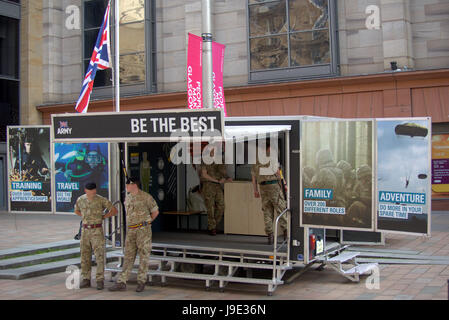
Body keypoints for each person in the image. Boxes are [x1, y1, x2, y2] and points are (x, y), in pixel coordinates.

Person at [109, 176, 159, 293]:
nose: (126, 187)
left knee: (143, 256)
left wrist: (147, 222)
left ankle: (141, 281)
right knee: (128, 256)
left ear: (134, 185)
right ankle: (122, 281)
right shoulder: (128, 198)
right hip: (131, 230)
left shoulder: (146, 197)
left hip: (143, 230)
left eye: (128, 185)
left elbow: (155, 212)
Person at [74, 182, 117, 290]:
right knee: (84, 255)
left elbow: (114, 210)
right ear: (85, 191)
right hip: (85, 230)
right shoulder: (80, 199)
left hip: (97, 230)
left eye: (93, 191)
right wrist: (84, 217)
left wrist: (103, 217)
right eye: (89, 191)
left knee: (99, 256)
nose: (92, 193)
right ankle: (86, 279)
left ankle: (100, 280)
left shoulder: (101, 199)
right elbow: (76, 211)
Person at [251, 140, 288, 245]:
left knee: (267, 211)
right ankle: (286, 233)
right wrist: (284, 184)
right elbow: (277, 172)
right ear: (268, 148)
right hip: (274, 186)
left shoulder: (256, 160)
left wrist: (255, 190)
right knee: (280, 208)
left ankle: (270, 236)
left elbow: (253, 177)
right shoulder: (271, 157)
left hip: (262, 187)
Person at [200, 152, 232, 236]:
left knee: (221, 206)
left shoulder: (220, 160)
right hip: (208, 185)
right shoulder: (205, 159)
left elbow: (223, 172)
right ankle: (212, 228)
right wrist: (217, 181)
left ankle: (212, 226)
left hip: (218, 186)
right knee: (210, 208)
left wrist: (227, 177)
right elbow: (204, 175)